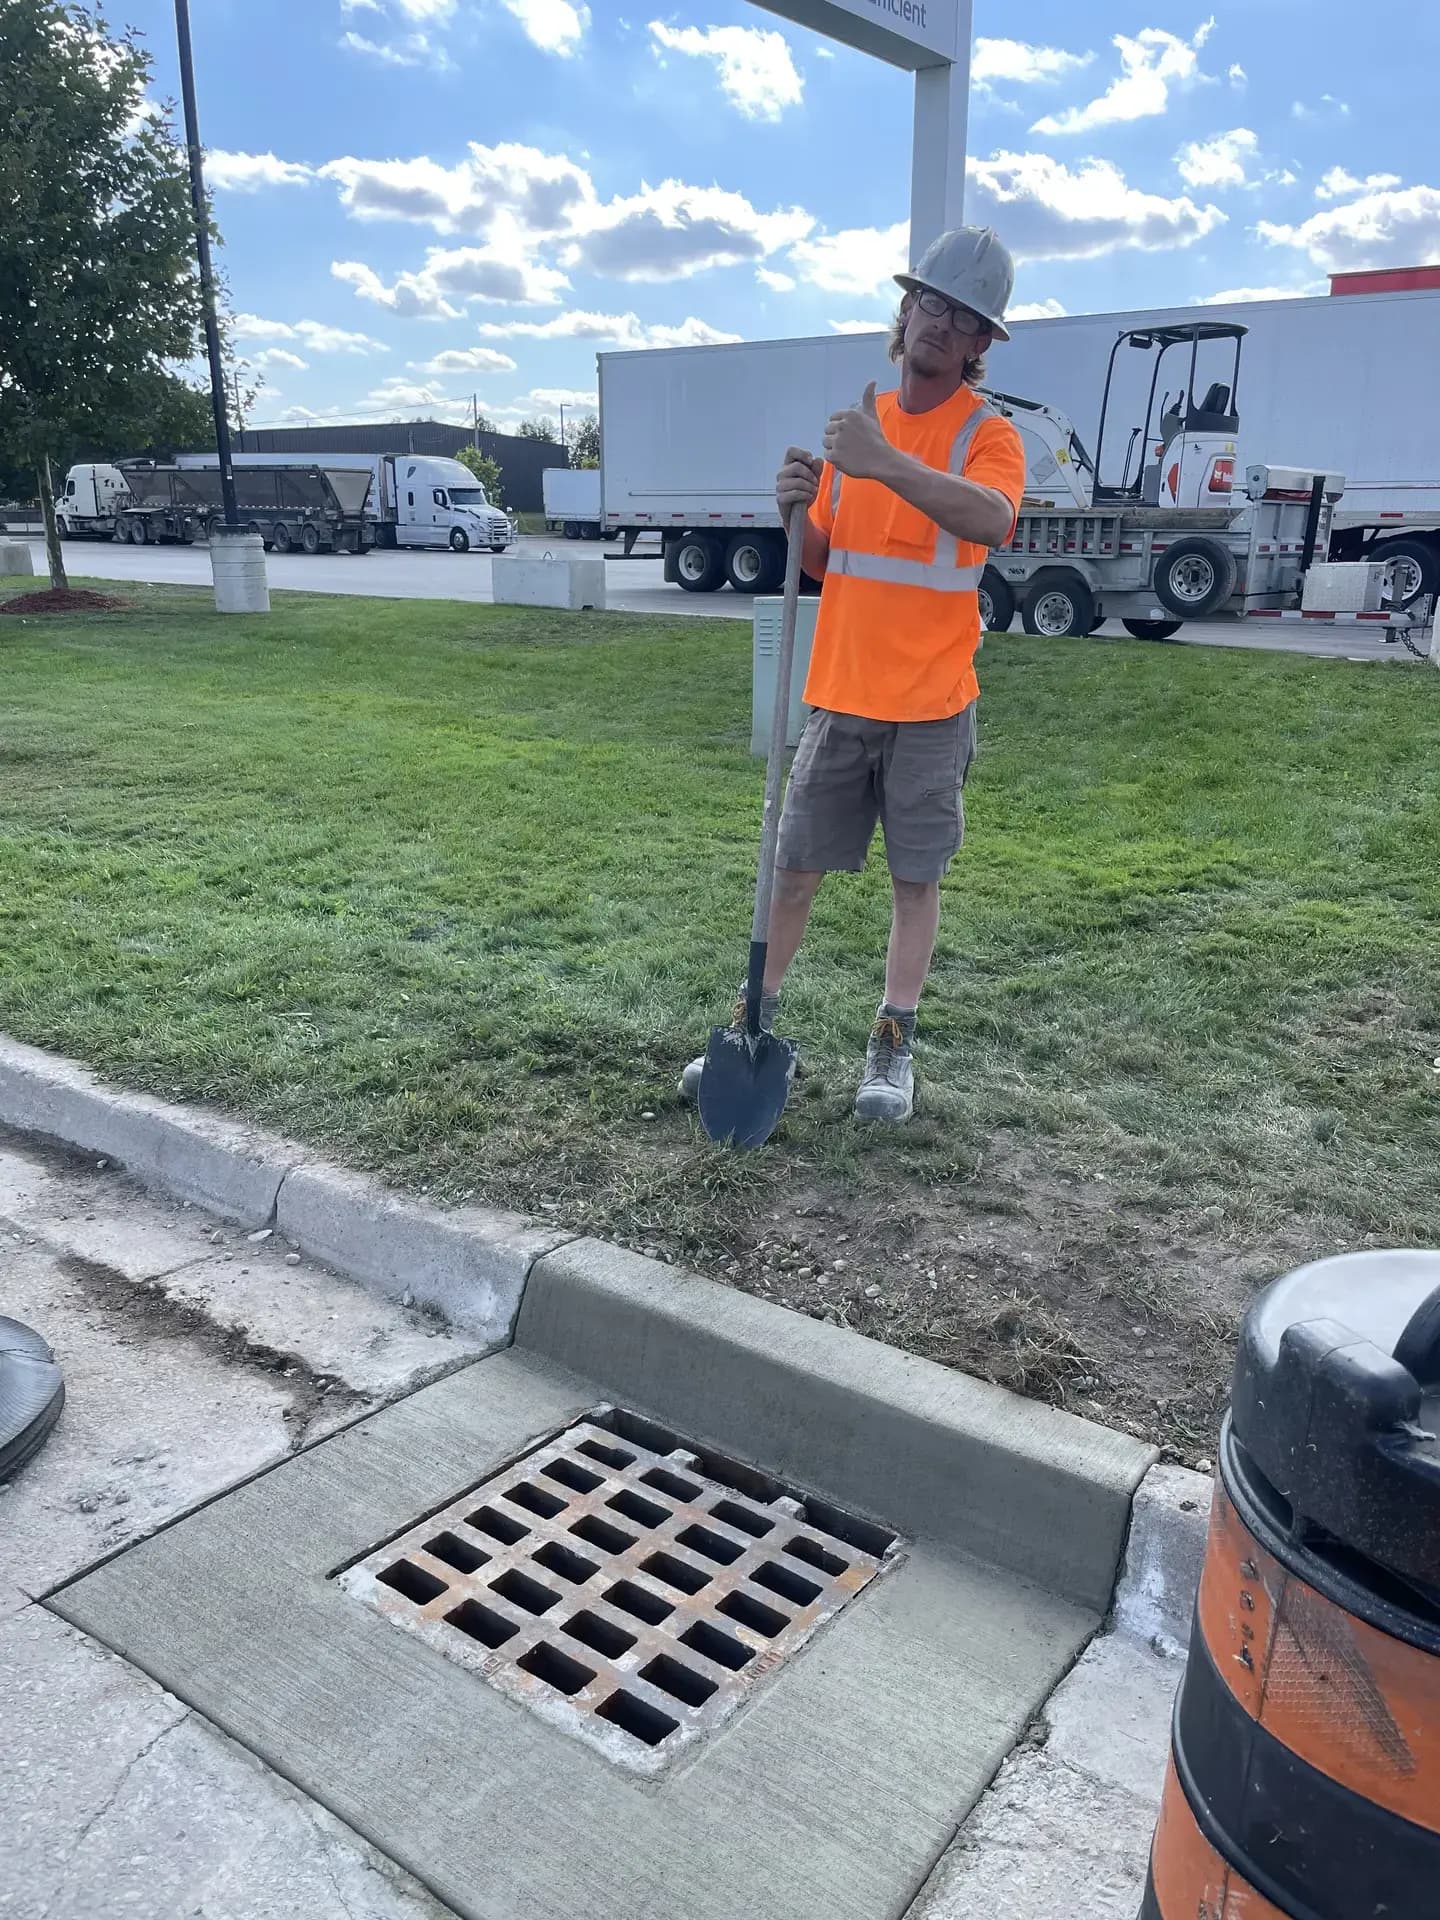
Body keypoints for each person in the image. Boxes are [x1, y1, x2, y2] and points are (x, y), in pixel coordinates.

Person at [681, 225, 1028, 1125]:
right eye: (932, 303)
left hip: (932, 706)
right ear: (906, 308)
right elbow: (834, 565)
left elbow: (991, 521)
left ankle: (892, 1041)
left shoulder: (987, 437)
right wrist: (796, 512)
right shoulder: (856, 423)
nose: (941, 324)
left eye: (964, 317)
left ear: (982, 344)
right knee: (792, 870)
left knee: (915, 883)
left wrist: (882, 461)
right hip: (840, 697)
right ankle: (751, 1023)